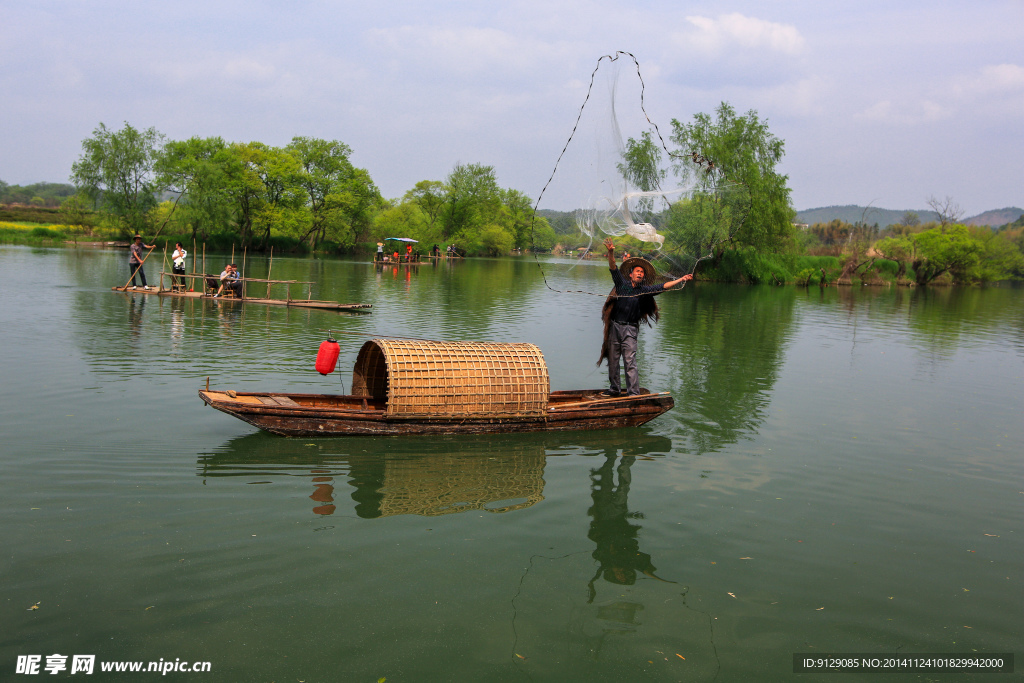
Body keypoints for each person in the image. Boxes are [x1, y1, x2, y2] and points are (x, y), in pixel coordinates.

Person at [599, 237, 692, 396]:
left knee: (630, 362)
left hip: (630, 329)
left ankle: (633, 394)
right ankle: (614, 389)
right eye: (637, 271)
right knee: (613, 360)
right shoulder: (621, 285)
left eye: (642, 272)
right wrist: (611, 252)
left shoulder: (644, 290)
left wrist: (681, 279)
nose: (640, 274)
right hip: (615, 326)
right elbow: (613, 267)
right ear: (631, 274)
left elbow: (663, 286)